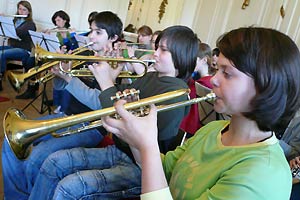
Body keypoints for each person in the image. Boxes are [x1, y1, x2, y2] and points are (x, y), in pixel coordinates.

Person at [102, 27, 300, 199]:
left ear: (266, 87)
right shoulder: (213, 129)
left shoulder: (264, 173)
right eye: (217, 70)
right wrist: (136, 138)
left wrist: (147, 144)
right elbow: (162, 170)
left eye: (227, 73)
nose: (213, 80)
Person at [27, 25, 198, 200]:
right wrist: (112, 82)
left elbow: (138, 134)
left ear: (180, 56)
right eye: (157, 48)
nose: (155, 53)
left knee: (69, 187)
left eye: (163, 50)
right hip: (119, 149)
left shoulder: (177, 93)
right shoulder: (150, 76)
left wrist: (107, 82)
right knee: (53, 162)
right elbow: (118, 98)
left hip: (142, 168)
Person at [1, 11, 123, 200]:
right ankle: (16, 196)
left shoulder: (119, 66)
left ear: (114, 37)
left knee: (37, 157)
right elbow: (63, 87)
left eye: (98, 32)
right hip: (66, 116)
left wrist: (69, 78)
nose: (91, 36)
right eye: (91, 31)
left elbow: (100, 102)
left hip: (90, 126)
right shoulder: (85, 54)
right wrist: (59, 74)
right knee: (10, 144)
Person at [0, 0, 36, 91]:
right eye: (20, 9)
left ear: (29, 12)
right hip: (13, 47)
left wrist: (5, 20)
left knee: (1, 54)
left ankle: (0, 78)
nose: (21, 12)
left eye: (24, 10)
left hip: (24, 50)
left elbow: (17, 33)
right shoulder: (15, 21)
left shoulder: (30, 24)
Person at [180, 42, 214, 135]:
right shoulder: (197, 80)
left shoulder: (205, 83)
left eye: (193, 60)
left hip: (191, 127)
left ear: (204, 60)